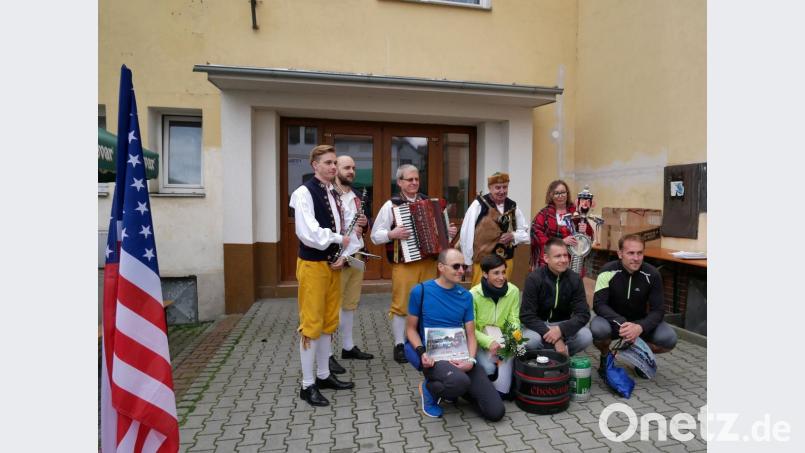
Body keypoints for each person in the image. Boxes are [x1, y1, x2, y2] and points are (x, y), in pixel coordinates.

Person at [289, 145, 358, 407]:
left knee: (329, 321)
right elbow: (309, 233)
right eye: (327, 163)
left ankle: (324, 374)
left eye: (333, 163)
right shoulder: (303, 192)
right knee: (311, 325)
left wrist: (342, 253)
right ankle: (307, 386)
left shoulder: (334, 193)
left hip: (332, 265)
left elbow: (342, 227)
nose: (332, 167)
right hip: (313, 266)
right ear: (314, 165)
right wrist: (338, 239)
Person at [371, 164, 457, 363]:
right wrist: (392, 234)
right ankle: (399, 344)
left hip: (428, 261)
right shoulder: (391, 205)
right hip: (404, 263)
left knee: (427, 302)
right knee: (401, 304)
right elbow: (375, 236)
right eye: (409, 179)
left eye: (416, 179)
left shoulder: (430, 202)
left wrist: (448, 232)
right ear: (399, 182)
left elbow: (442, 231)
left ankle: (424, 341)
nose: (414, 183)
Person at [406, 248, 505, 421]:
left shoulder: (466, 296)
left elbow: (471, 334)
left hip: (461, 355)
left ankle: (458, 391)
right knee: (460, 381)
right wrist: (422, 353)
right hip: (433, 357)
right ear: (441, 267)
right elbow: (410, 330)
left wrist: (471, 361)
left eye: (464, 266)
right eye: (456, 266)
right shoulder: (420, 291)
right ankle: (429, 390)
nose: (462, 270)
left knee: (496, 412)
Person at [591, 234, 678, 377]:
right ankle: (606, 356)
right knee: (597, 329)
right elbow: (599, 304)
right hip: (613, 321)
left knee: (669, 339)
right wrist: (623, 324)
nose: (636, 258)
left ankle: (637, 355)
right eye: (631, 253)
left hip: (640, 323)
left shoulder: (652, 274)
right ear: (620, 254)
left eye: (640, 253)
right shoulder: (606, 271)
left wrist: (640, 327)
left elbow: (658, 310)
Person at [327, 156, 373, 376]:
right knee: (332, 308)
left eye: (353, 168)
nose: (351, 171)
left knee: (350, 305)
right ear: (336, 169)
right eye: (347, 167)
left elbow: (362, 224)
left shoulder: (356, 196)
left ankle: (347, 347)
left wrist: (365, 224)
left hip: (356, 254)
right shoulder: (328, 195)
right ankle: (326, 355)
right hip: (338, 257)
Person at [520, 237, 593, 356]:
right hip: (538, 325)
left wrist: (561, 330)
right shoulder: (534, 278)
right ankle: (544, 355)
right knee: (530, 340)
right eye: (558, 256)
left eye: (565, 255)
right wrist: (556, 337)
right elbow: (526, 315)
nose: (564, 260)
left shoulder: (575, 279)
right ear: (546, 258)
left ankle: (562, 355)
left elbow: (583, 314)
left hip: (563, 324)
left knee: (586, 336)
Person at [459, 172, 529, 287]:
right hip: (483, 262)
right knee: (480, 294)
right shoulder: (478, 204)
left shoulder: (512, 206)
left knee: (502, 293)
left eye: (505, 187)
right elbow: (467, 233)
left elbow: (525, 233)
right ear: (490, 188)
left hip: (506, 262)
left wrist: (513, 236)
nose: (501, 191)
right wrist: (468, 262)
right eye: (497, 188)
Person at [469, 254, 521, 397]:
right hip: (480, 341)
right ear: (485, 274)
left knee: (518, 352)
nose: (501, 277)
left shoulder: (513, 291)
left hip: (503, 339)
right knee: (489, 368)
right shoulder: (473, 295)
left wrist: (512, 338)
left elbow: (514, 320)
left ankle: (504, 389)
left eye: (503, 272)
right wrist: (489, 342)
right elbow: (470, 327)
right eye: (496, 273)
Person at [530, 179, 580, 270]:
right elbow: (535, 233)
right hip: (550, 258)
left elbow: (585, 235)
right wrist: (561, 242)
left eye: (563, 192)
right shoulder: (545, 213)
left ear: (567, 193)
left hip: (572, 257)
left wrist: (583, 229)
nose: (560, 196)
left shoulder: (576, 212)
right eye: (556, 193)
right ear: (551, 195)